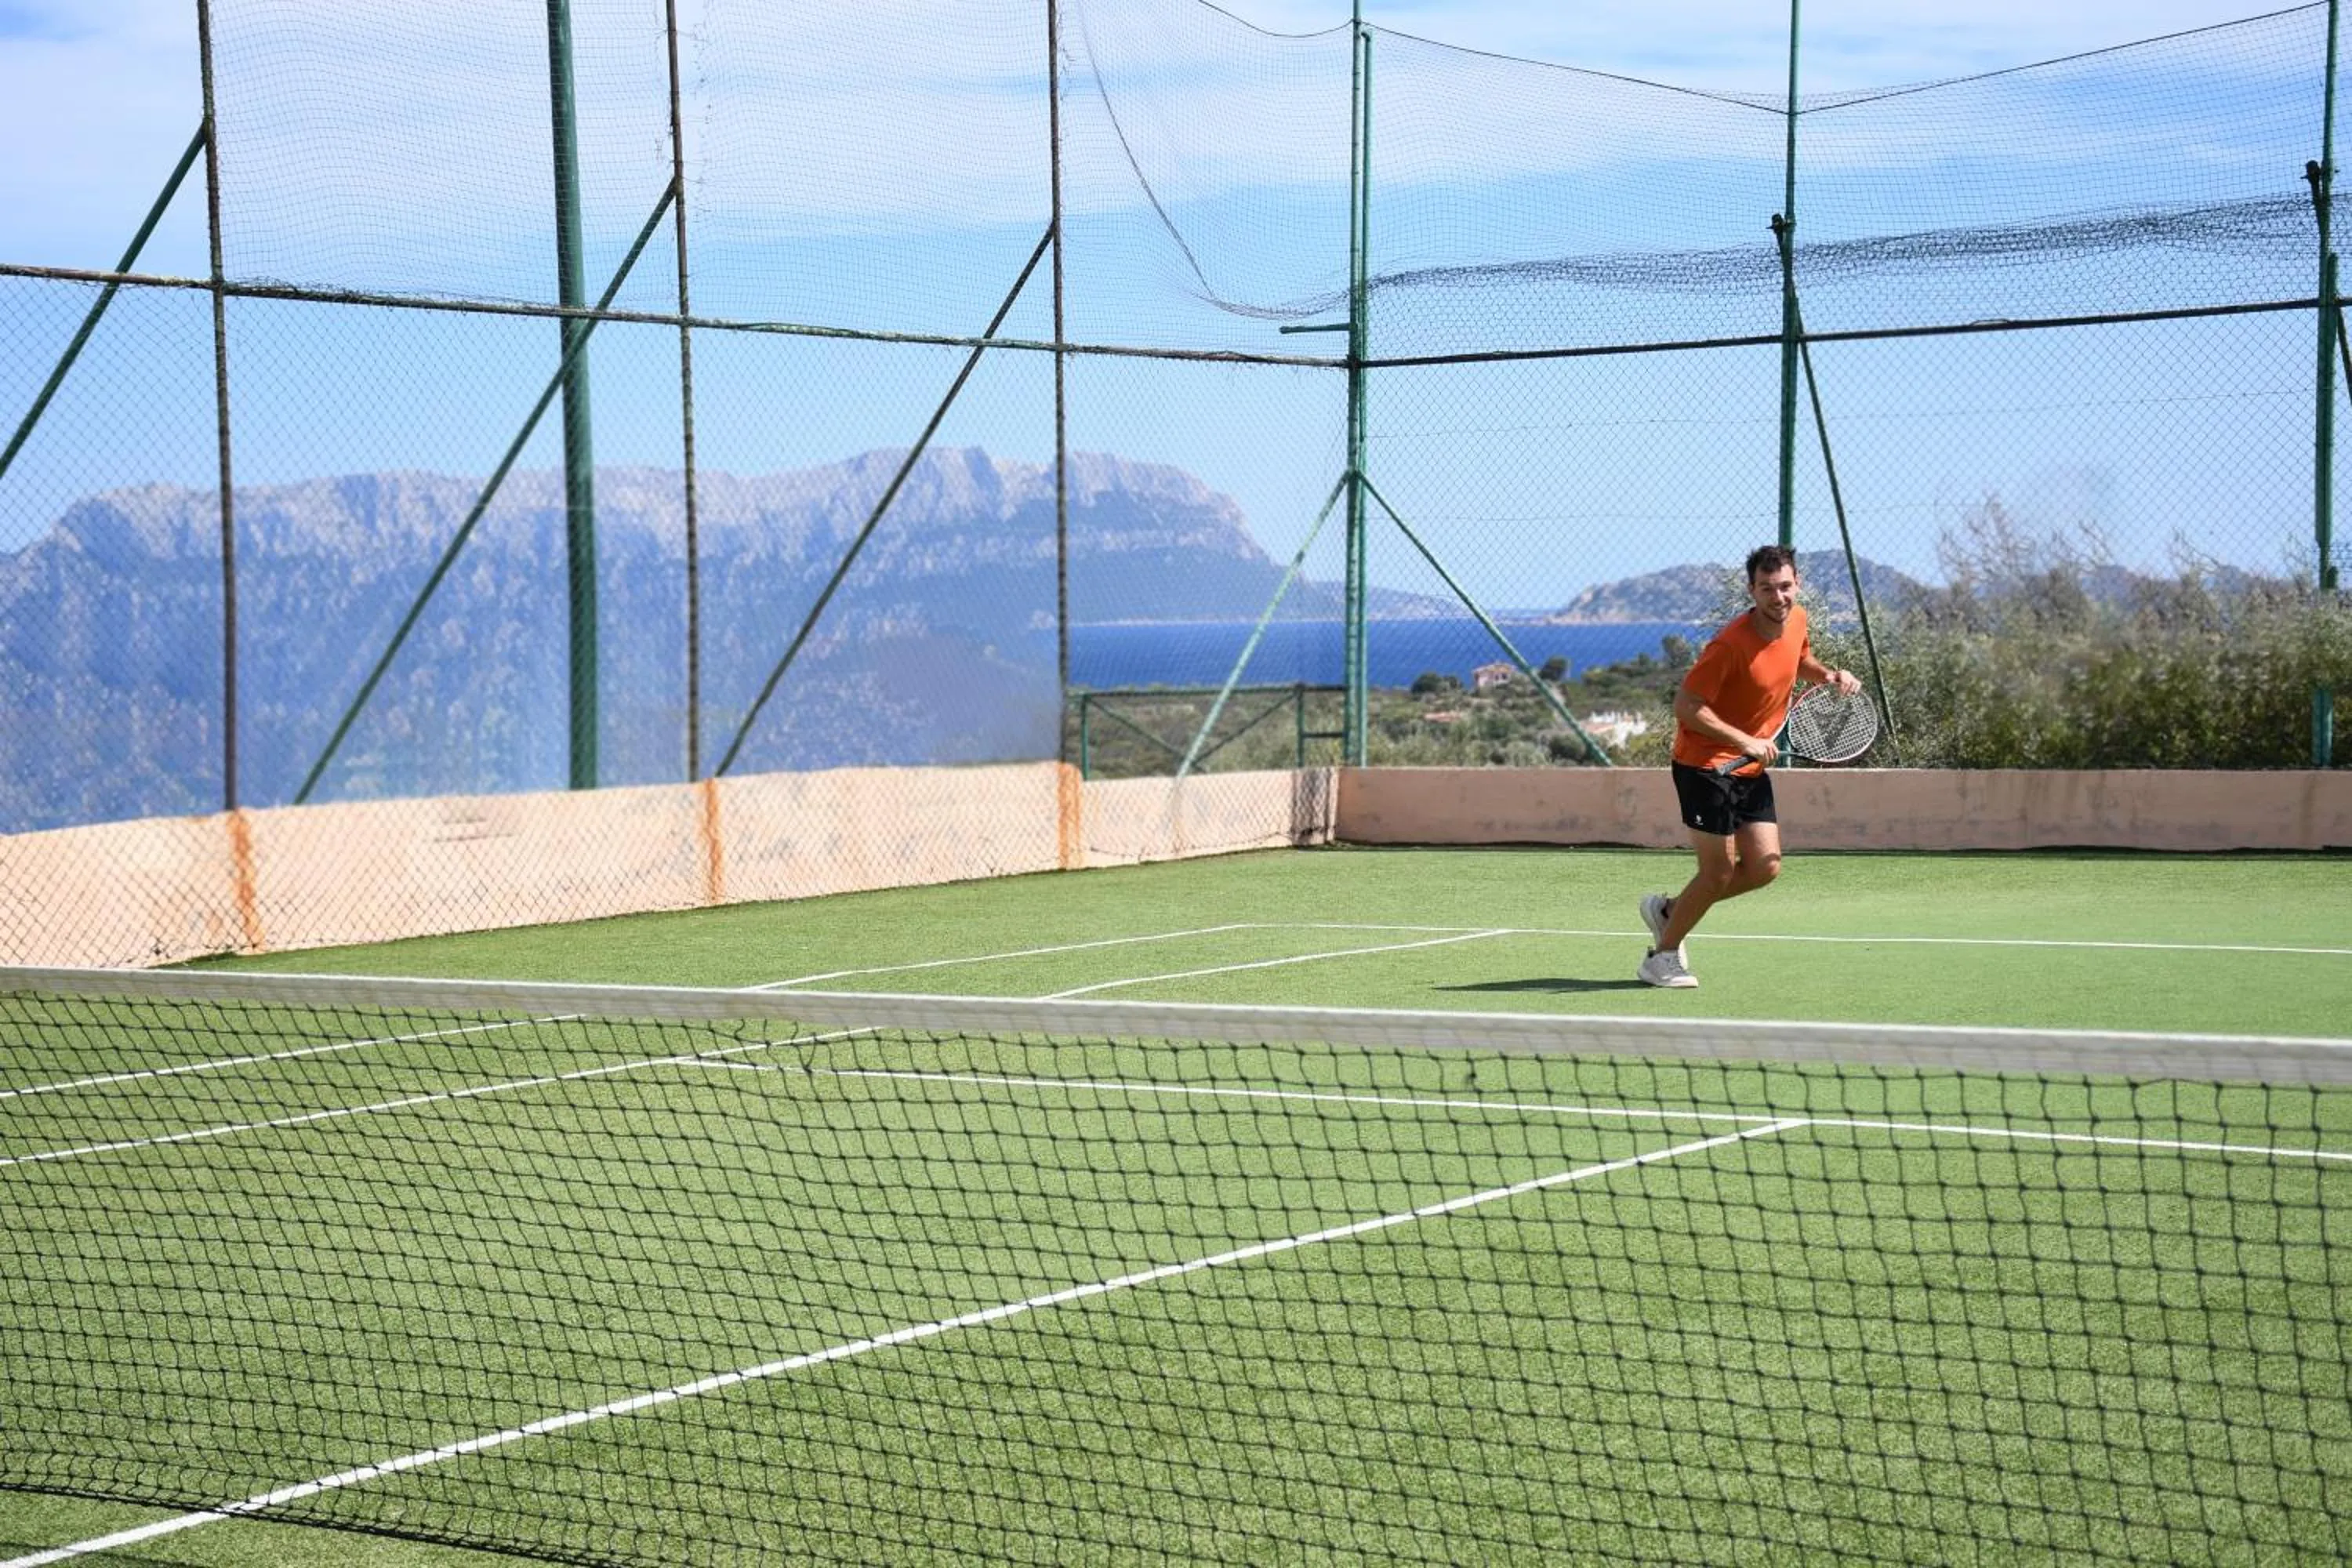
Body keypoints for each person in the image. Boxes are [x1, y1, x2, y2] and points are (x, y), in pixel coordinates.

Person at [1638, 545, 1859, 989]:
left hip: (1751, 766)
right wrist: (1746, 741)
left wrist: (1830, 676)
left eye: (1785, 587)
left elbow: (1800, 662)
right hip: (1705, 766)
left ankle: (1668, 911)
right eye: (1767, 589)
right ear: (1751, 590)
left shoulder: (1797, 621)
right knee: (1718, 871)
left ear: (1797, 585)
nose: (1778, 598)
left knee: (1763, 868)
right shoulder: (1729, 645)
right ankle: (1660, 958)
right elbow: (1686, 706)